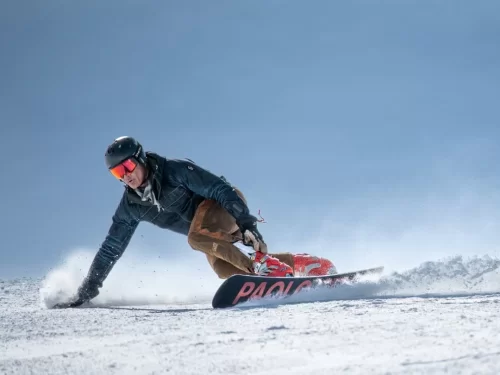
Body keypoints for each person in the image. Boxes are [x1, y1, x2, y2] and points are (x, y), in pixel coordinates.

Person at [66, 136, 336, 307]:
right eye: (116, 173)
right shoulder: (131, 207)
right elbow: (110, 248)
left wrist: (246, 223)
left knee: (195, 238)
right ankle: (300, 264)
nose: (124, 176)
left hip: (225, 208)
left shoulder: (174, 171)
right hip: (212, 235)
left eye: (126, 167)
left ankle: (264, 267)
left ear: (140, 159)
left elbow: (219, 188)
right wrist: (87, 289)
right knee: (224, 270)